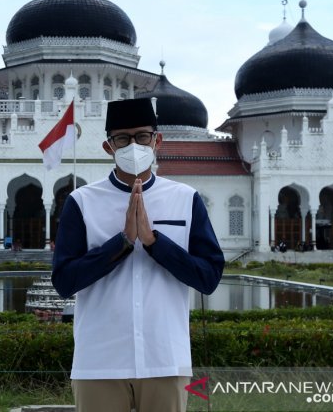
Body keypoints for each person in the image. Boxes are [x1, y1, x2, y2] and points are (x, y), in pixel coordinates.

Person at [51, 98, 225, 412]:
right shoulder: (82, 202)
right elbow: (64, 281)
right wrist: (122, 243)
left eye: (142, 136)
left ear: (157, 140)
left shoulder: (185, 200)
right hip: (100, 362)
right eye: (123, 138)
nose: (134, 145)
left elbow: (208, 277)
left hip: (165, 360)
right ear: (108, 147)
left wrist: (155, 242)